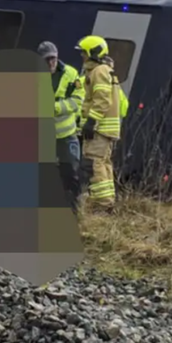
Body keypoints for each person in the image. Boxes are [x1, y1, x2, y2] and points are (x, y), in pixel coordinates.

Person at [75, 35, 122, 210]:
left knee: (93, 163)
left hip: (100, 129)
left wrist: (91, 121)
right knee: (103, 163)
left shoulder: (99, 71)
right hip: (105, 129)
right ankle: (108, 202)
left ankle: (102, 204)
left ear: (93, 53)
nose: (82, 57)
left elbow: (102, 99)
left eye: (84, 53)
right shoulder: (104, 70)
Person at [37, 41, 85, 212]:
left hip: (65, 135)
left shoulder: (70, 74)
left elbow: (78, 100)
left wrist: (55, 108)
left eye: (53, 58)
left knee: (70, 173)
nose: (51, 63)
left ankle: (73, 212)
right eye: (47, 60)